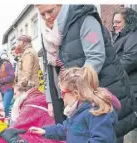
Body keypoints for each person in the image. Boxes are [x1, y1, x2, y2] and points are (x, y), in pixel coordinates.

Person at [36, 5, 133, 142]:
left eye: (50, 11)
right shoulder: (46, 33)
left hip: (90, 91)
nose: (47, 17)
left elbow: (96, 57)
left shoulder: (85, 20)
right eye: (42, 14)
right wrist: (51, 100)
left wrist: (77, 87)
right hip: (71, 96)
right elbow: (48, 69)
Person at [29, 66, 119, 143]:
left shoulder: (96, 112)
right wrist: (45, 131)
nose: (62, 97)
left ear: (75, 93)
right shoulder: (76, 111)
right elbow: (66, 129)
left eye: (63, 93)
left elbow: (102, 140)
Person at [0, 85, 65, 143]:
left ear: (23, 92)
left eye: (15, 94)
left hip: (49, 138)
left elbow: (17, 128)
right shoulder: (39, 98)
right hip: (55, 136)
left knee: (3, 137)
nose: (14, 98)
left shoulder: (30, 105)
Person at [112, 7, 137, 141]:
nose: (114, 25)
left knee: (127, 130)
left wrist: (110, 73)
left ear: (128, 22)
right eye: (114, 22)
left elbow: (130, 59)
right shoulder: (120, 37)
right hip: (123, 89)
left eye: (118, 22)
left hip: (132, 89)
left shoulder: (133, 35)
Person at [0, 52, 15, 117]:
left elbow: (12, 76)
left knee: (5, 106)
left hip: (8, 88)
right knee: (1, 107)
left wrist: (0, 80)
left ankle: (7, 120)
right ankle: (4, 120)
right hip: (0, 89)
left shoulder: (6, 64)